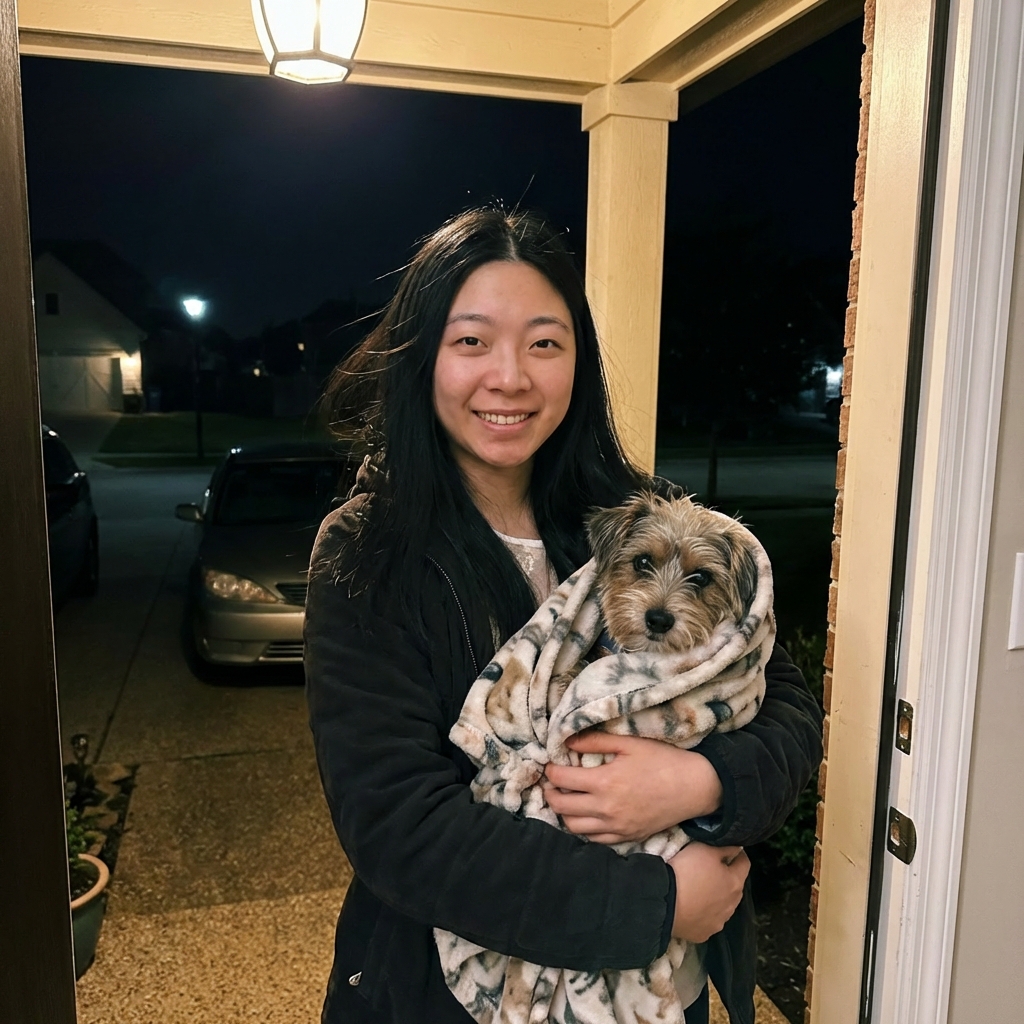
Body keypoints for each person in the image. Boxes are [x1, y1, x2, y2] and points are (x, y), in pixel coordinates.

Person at [304, 207, 823, 1024]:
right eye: (471, 340)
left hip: (659, 992)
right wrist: (657, 902)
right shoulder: (369, 552)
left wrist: (703, 781)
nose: (510, 376)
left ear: (578, 358)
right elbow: (399, 830)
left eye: (545, 342)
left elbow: (785, 704)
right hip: (446, 992)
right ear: (421, 357)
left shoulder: (634, 515)